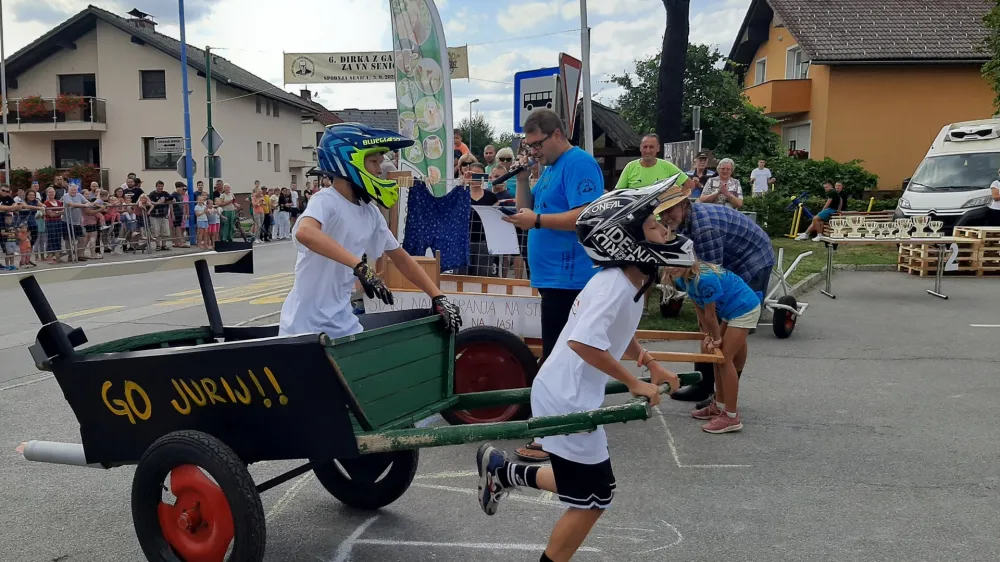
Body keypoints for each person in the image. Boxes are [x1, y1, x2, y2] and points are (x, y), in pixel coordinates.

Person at [473, 182, 692, 562]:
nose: (666, 231)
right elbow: (584, 343)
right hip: (566, 396)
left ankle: (503, 473)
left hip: (568, 391)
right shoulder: (614, 287)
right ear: (626, 241)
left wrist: (650, 363)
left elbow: (614, 334)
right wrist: (633, 382)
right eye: (656, 227)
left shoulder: (631, 281)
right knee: (594, 498)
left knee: (582, 481)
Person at [278, 123, 462, 341]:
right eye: (374, 161)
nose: (379, 169)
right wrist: (359, 266)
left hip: (342, 322)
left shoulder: (370, 213)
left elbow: (401, 258)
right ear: (348, 161)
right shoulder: (326, 200)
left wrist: (437, 296)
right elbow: (305, 233)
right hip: (304, 327)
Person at [502, 109, 605, 462]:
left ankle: (551, 434)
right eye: (529, 147)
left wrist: (539, 220)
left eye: (536, 144)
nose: (533, 152)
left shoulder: (578, 163)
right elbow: (527, 214)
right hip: (551, 277)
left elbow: (587, 215)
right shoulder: (547, 169)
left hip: (571, 277)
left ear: (557, 134)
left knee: (558, 357)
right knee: (559, 354)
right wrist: (520, 180)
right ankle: (561, 425)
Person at [658, 194, 775, 404]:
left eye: (670, 210)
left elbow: (709, 281)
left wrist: (713, 333)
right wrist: (708, 329)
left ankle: (723, 395)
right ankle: (705, 387)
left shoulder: (705, 229)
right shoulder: (683, 222)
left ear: (685, 205)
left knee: (736, 325)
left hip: (753, 258)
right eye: (662, 213)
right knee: (714, 332)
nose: (666, 217)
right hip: (731, 257)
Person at [666, 260, 761, 433]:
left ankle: (731, 416)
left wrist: (715, 339)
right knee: (716, 359)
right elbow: (699, 309)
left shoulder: (704, 279)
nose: (672, 268)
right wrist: (708, 335)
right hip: (728, 311)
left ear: (689, 260)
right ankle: (719, 405)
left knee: (724, 359)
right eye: (668, 263)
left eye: (677, 263)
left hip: (743, 308)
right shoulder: (681, 278)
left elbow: (711, 314)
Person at [615, 133, 697, 192]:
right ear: (640, 148)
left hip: (661, 212)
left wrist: (675, 201)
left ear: (658, 148)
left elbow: (690, 185)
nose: (648, 150)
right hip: (634, 213)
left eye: (651, 147)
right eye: (645, 147)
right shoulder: (630, 166)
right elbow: (617, 192)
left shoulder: (667, 166)